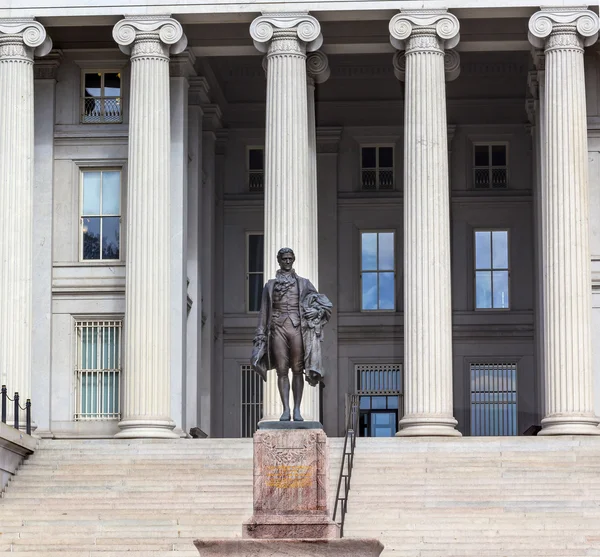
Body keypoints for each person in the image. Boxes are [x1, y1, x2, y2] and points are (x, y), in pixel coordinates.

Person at [251, 248, 332, 422]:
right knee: (281, 371)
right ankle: (285, 410)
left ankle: (297, 410)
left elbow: (323, 303)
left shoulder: (304, 283)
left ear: (293, 260)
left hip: (297, 328)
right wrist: (260, 335)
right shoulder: (269, 285)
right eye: (284, 259)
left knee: (297, 370)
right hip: (277, 328)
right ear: (278, 260)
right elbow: (263, 312)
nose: (287, 262)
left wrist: (315, 312)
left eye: (290, 258)